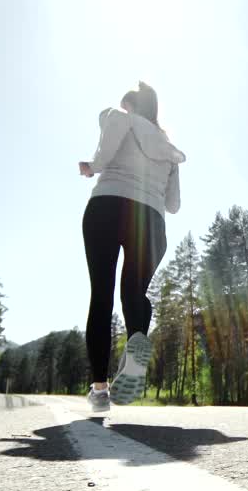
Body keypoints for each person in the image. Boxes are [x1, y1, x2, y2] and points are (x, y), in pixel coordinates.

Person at [78, 82, 185, 412]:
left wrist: (93, 167)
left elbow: (105, 149)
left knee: (102, 296)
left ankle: (99, 390)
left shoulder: (118, 117)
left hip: (108, 206)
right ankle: (137, 340)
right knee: (134, 293)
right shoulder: (168, 147)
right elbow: (174, 204)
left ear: (131, 106)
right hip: (151, 219)